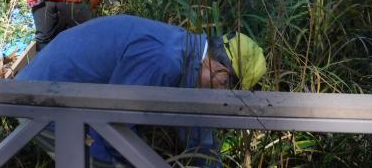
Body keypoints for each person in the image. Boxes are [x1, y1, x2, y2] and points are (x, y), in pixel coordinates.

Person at [16, 14, 267, 166]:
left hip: (70, 93)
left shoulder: (187, 49)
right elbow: (113, 124)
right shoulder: (165, 59)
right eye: (224, 87)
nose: (217, 95)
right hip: (43, 97)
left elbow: (193, 128)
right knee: (103, 162)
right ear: (220, 71)